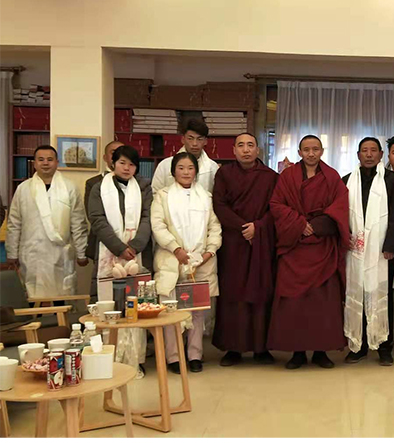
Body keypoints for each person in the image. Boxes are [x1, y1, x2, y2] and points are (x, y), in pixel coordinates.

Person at [268, 135, 349, 370]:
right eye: (306, 149)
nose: (311, 153)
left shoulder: (331, 176)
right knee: (295, 303)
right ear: (299, 152)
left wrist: (316, 226)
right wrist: (299, 224)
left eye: (315, 149)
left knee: (323, 302)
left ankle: (322, 351)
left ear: (322, 151)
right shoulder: (288, 176)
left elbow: (341, 205)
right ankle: (298, 352)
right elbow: (276, 204)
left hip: (322, 245)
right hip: (295, 245)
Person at [151, 152, 222, 373]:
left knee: (197, 310)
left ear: (196, 172)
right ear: (173, 171)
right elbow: (158, 225)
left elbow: (214, 227)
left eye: (190, 168)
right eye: (181, 168)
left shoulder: (206, 197)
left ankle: (195, 354)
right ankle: (174, 356)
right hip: (172, 259)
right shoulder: (162, 196)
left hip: (201, 262)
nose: (186, 172)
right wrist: (176, 249)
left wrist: (209, 252)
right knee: (171, 309)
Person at [86, 145, 153, 377]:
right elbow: (97, 219)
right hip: (108, 252)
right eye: (122, 163)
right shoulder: (98, 187)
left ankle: (135, 359)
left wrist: (134, 246)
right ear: (112, 163)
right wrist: (119, 247)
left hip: (137, 253)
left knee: (136, 303)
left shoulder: (143, 187)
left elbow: (147, 217)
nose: (127, 168)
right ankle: (109, 358)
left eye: (132, 164)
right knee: (109, 305)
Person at [212, 133, 279, 366]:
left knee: (260, 293)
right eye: (241, 145)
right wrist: (243, 228)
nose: (246, 150)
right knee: (233, 293)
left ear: (258, 150)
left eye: (250, 145)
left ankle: (261, 348)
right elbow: (219, 205)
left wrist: (258, 227)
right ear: (234, 150)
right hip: (233, 242)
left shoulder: (271, 177)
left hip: (261, 242)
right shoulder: (224, 174)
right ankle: (233, 348)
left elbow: (276, 207)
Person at [342, 137, 394, 366]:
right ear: (358, 155)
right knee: (356, 293)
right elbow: (341, 214)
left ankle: (383, 346)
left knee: (380, 294)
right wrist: (346, 238)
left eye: (373, 151)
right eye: (364, 150)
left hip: (381, 251)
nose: (369, 155)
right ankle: (357, 346)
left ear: (381, 155)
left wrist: (390, 246)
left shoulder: (391, 181)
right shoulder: (347, 181)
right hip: (355, 249)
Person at [6, 145, 89, 297]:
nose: (45, 163)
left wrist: (81, 252)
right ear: (34, 163)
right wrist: (12, 253)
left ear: (57, 162)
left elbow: (78, 223)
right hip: (32, 252)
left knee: (61, 296)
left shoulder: (69, 188)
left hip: (60, 253)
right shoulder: (23, 189)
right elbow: (14, 223)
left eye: (50, 159)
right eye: (41, 159)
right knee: (32, 295)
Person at [152, 120, 220, 194]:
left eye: (199, 139)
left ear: (205, 141)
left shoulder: (213, 168)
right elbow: (155, 193)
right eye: (190, 138)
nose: (194, 143)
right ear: (183, 139)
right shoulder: (165, 165)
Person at [85, 140, 124, 263]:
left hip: (131, 243)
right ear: (105, 157)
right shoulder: (93, 183)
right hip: (102, 241)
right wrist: (115, 244)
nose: (118, 156)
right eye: (113, 153)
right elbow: (95, 218)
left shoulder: (139, 183)